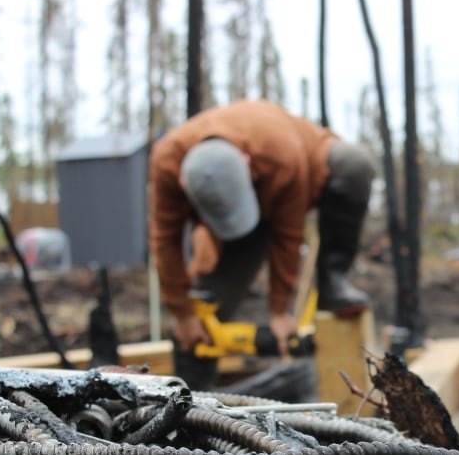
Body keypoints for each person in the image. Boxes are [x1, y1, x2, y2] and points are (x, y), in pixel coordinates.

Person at [148, 99, 376, 389]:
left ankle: (334, 282)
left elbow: (288, 234)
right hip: (225, 226)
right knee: (202, 314)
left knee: (353, 164)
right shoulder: (166, 160)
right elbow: (165, 240)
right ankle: (189, 398)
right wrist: (181, 313)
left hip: (297, 179)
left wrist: (279, 311)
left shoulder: (282, 154)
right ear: (182, 182)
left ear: (245, 161)